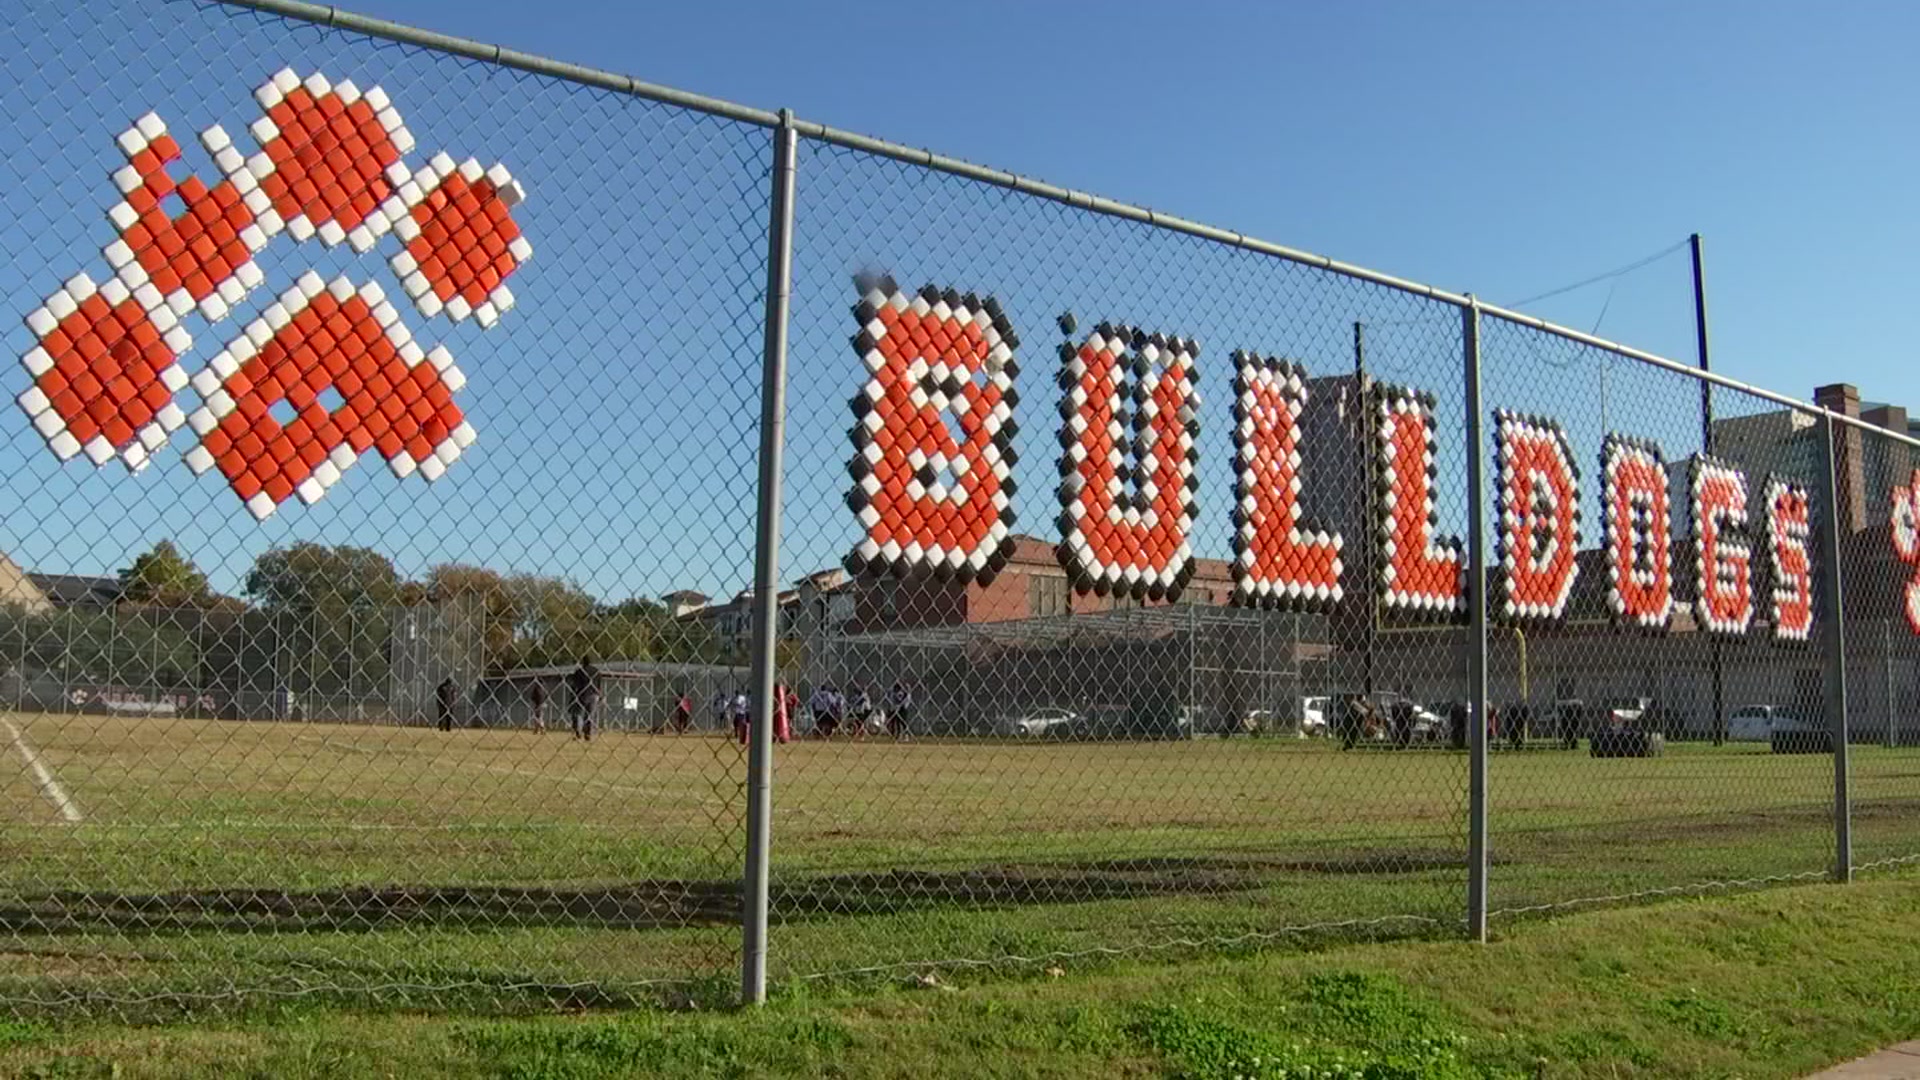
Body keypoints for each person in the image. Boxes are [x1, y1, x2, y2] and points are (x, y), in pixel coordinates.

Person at [567, 657, 600, 741]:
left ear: (583, 662)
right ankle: (588, 733)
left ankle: (578, 732)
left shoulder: (580, 671)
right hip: (594, 694)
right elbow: (599, 684)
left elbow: (575, 684)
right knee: (590, 715)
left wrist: (573, 694)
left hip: (583, 694)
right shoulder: (596, 671)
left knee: (578, 713)